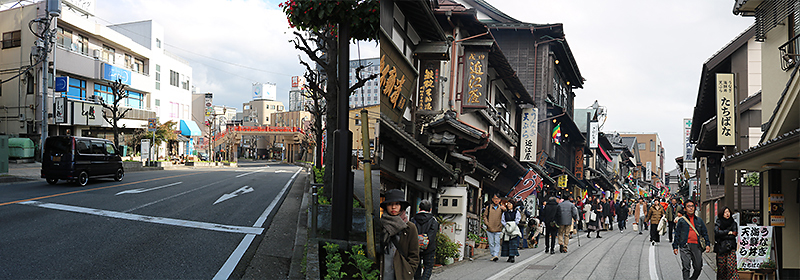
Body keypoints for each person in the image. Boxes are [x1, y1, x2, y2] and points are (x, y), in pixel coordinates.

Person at [380, 189, 420, 280]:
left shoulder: (410, 227)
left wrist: (408, 272)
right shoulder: (380, 225)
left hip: (401, 275)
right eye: (390, 204)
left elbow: (414, 255)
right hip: (383, 272)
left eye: (397, 204)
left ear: (402, 206)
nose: (393, 207)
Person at [673, 200, 711, 280]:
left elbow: (705, 233)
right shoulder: (681, 221)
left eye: (692, 206)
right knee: (686, 267)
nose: (691, 208)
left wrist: (707, 244)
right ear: (685, 209)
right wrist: (675, 246)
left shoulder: (699, 220)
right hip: (685, 246)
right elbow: (677, 234)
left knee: (698, 267)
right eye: (688, 206)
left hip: (697, 246)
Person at [411, 200, 438, 280]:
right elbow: (432, 235)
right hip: (429, 248)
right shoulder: (433, 220)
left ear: (419, 208)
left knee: (416, 266)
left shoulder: (413, 219)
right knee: (428, 267)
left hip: (415, 247)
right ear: (430, 209)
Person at [714, 207, 739, 280]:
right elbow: (717, 233)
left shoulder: (733, 223)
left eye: (728, 212)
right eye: (725, 212)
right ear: (722, 214)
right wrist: (728, 232)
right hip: (721, 248)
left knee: (731, 267)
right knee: (722, 268)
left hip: (731, 247)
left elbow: (734, 234)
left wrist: (723, 234)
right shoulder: (718, 222)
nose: (727, 214)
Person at [482, 193, 507, 261]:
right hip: (490, 228)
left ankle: (496, 255)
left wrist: (505, 209)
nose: (496, 200)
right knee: (491, 243)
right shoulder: (489, 207)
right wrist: (487, 224)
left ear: (500, 200)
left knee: (497, 242)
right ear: (492, 199)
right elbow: (484, 216)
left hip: (498, 228)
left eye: (498, 199)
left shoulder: (501, 208)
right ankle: (493, 254)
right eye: (495, 199)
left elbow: (507, 215)